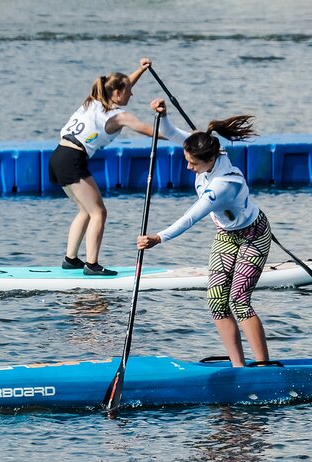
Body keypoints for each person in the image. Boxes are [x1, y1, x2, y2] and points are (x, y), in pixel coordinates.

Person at [137, 99, 272, 367]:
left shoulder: (223, 186)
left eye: (193, 164)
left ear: (210, 160)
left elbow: (191, 217)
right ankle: (237, 365)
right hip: (227, 234)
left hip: (254, 235)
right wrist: (164, 115)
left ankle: (263, 367)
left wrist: (159, 238)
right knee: (216, 301)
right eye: (187, 161)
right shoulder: (207, 148)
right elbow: (172, 133)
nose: (189, 167)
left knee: (239, 299)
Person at [49, 58, 158, 276]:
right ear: (117, 93)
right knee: (99, 212)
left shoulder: (94, 100)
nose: (132, 94)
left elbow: (121, 85)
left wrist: (141, 70)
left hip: (58, 156)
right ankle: (92, 265)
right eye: (128, 91)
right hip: (72, 158)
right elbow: (145, 129)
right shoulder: (116, 116)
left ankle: (71, 260)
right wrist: (180, 137)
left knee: (85, 210)